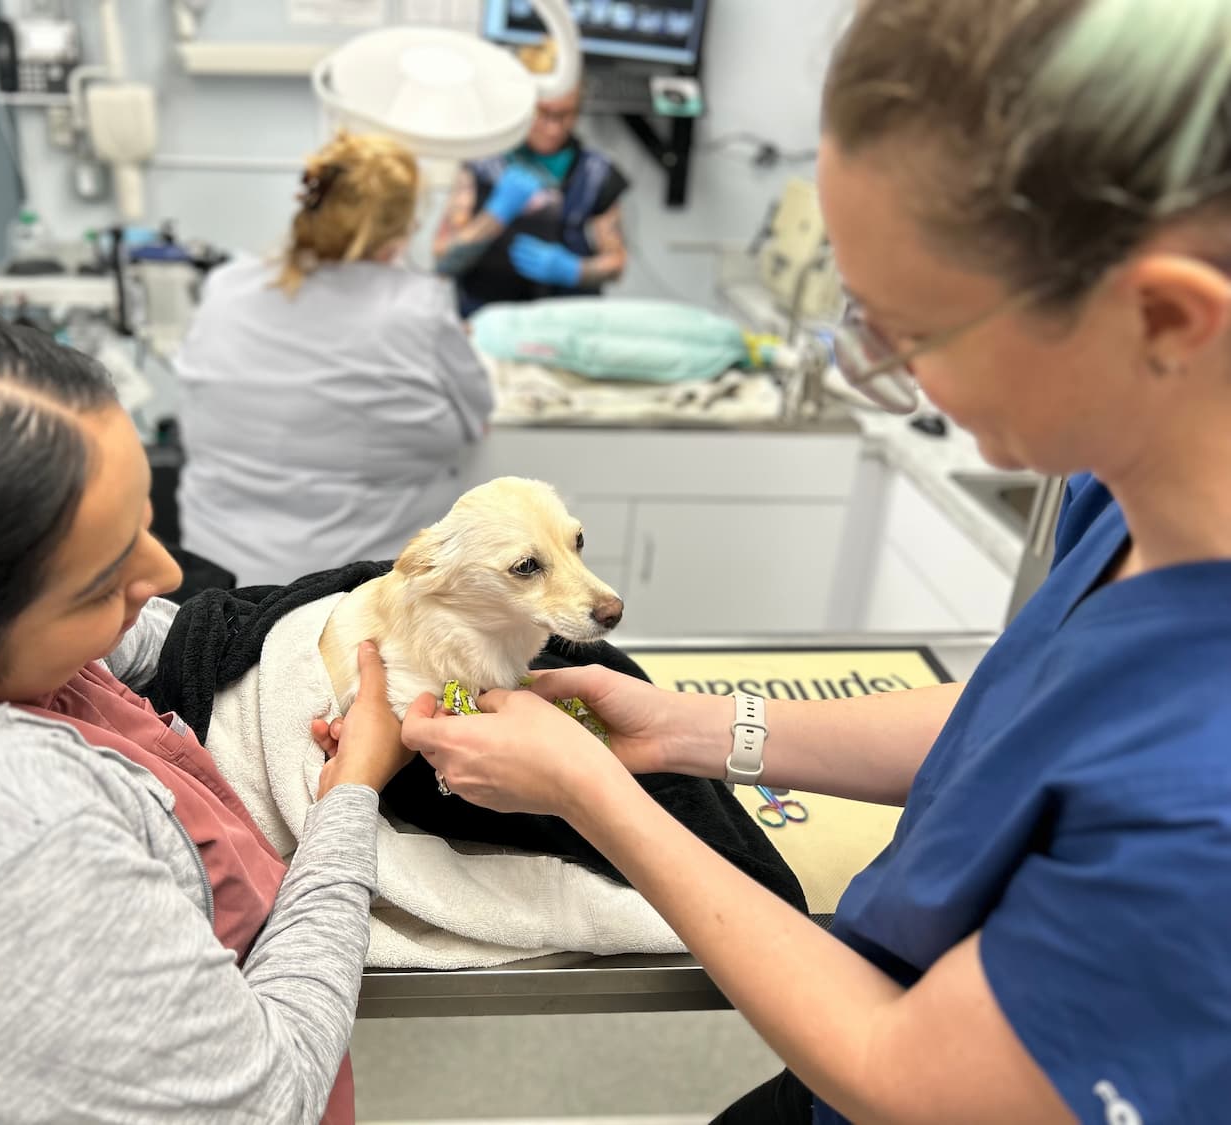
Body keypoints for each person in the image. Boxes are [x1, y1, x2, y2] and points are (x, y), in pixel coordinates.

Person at [393, 1, 1231, 1121]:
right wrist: (694, 730)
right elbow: (1027, 719)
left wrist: (594, 797)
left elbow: (910, 1082)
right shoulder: (1123, 489)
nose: (881, 369)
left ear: (1165, 322)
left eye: (911, 331)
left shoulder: (1205, 812)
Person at [0, 299, 415, 1123]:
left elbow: (153, 636)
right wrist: (351, 800)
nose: (164, 571)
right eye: (102, 584)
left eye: (144, 523)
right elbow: (265, 1102)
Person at [174, 132, 492, 588]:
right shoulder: (416, 307)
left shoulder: (226, 286)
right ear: (400, 229)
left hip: (219, 583)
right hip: (356, 596)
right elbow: (476, 418)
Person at [432, 41, 630, 317]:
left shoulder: (596, 174)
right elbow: (442, 259)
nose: (554, 128)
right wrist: (493, 216)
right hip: (486, 320)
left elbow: (616, 263)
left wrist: (576, 271)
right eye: (544, 113)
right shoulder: (482, 164)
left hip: (565, 324)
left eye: (566, 114)